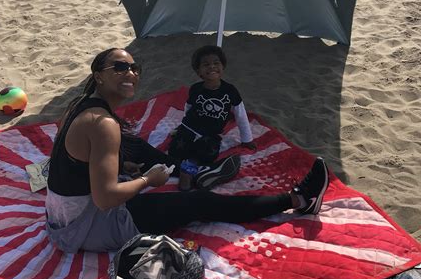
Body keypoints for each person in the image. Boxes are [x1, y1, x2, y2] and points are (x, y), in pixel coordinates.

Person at [46, 48, 330, 254]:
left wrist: (125, 168)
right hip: (85, 226)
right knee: (197, 202)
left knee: (136, 146)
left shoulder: (80, 105)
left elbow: (73, 162)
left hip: (61, 215)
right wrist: (148, 181)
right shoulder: (103, 124)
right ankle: (298, 199)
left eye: (135, 68)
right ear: (98, 76)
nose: (130, 73)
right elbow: (106, 199)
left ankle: (189, 171)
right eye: (119, 68)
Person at [168, 46, 257, 171]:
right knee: (176, 149)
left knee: (209, 152)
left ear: (223, 67)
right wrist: (183, 125)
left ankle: (189, 168)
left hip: (211, 133)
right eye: (206, 64)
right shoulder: (195, 89)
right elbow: (188, 107)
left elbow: (240, 115)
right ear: (198, 71)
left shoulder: (230, 91)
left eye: (216, 63)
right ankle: (176, 167)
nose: (212, 67)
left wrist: (247, 139)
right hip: (190, 126)